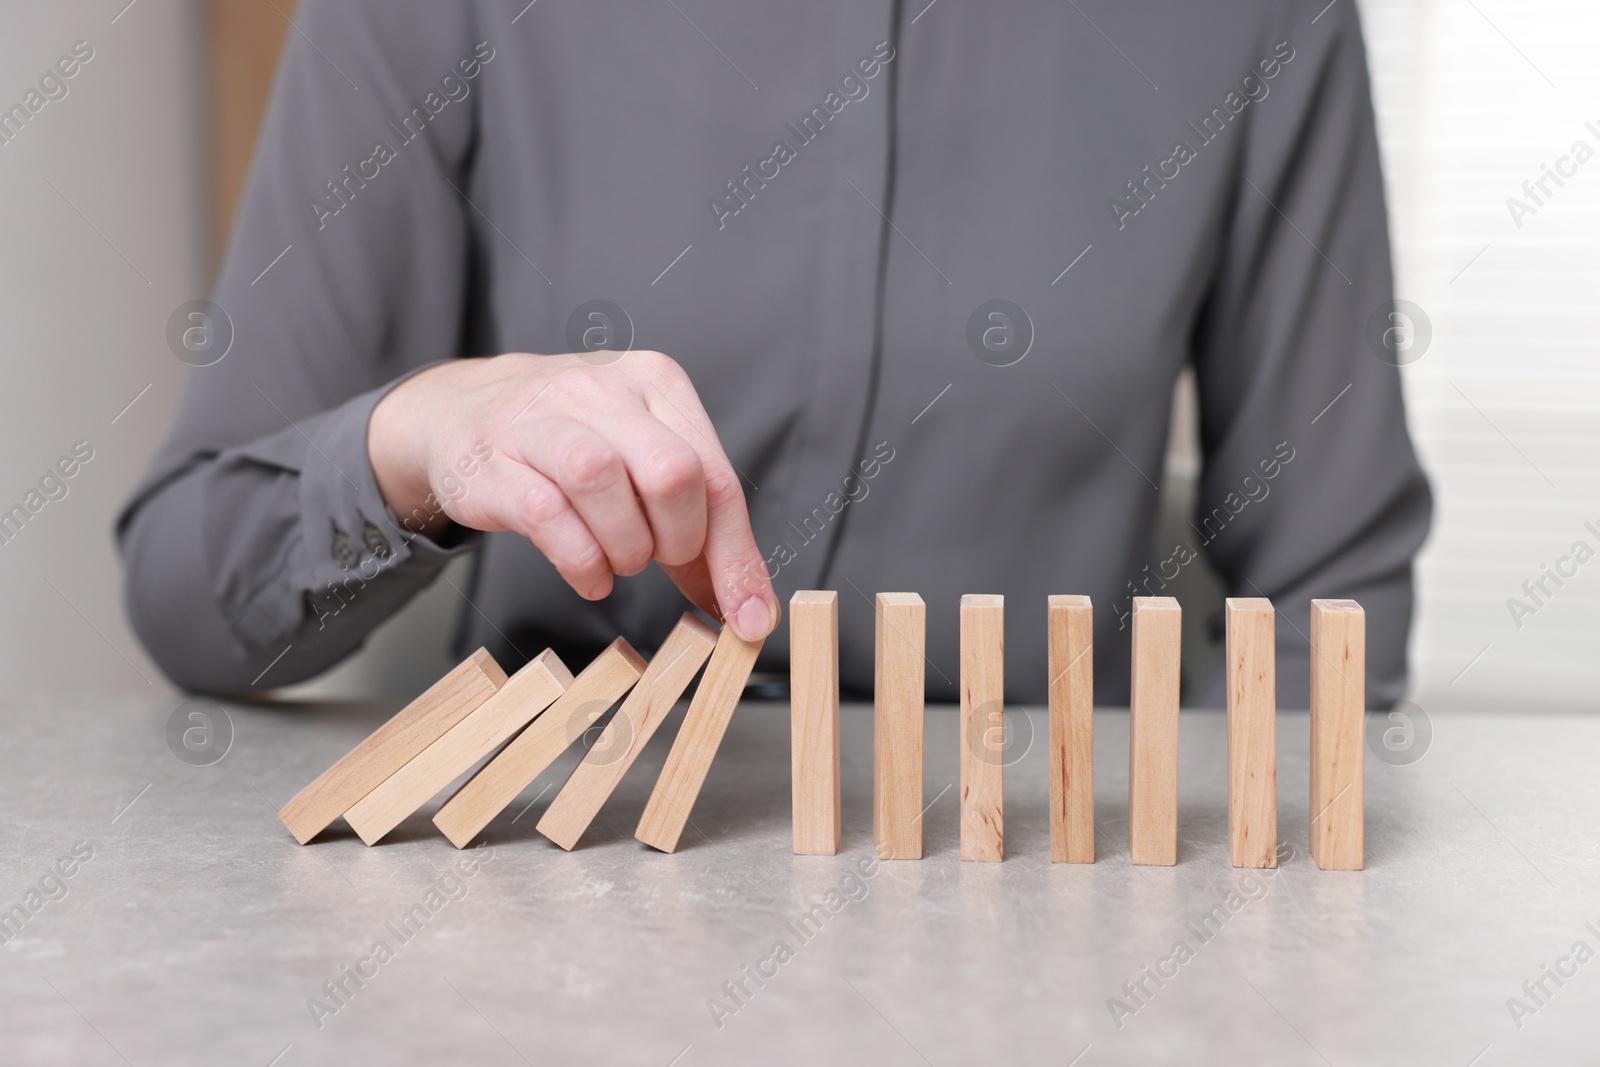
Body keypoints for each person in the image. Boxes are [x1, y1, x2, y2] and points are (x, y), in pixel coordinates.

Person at [117, 0, 1431, 707]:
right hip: (570, 893)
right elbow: (195, 582)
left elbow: (1337, 596)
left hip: (1047, 895)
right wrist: (418, 440)